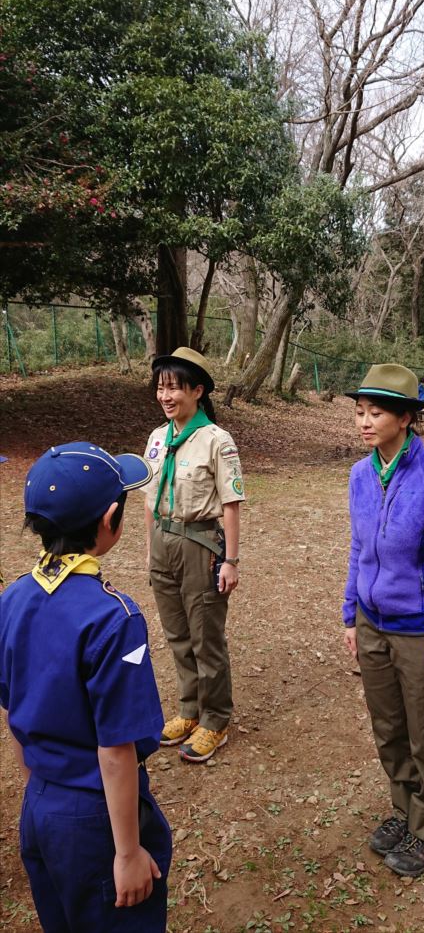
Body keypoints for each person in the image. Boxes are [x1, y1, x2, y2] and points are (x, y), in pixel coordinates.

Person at [0, 442, 172, 933]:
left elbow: (11, 708)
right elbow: (116, 749)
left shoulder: (12, 598)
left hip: (40, 805)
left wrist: (38, 782)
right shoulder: (111, 617)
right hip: (96, 819)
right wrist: (128, 851)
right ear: (111, 518)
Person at [342, 364, 424, 878]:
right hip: (373, 624)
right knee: (389, 729)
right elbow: (358, 548)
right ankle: (405, 811)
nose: (365, 422)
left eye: (376, 413)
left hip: (421, 631)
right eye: (359, 413)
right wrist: (351, 613)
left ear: (405, 418)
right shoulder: (360, 474)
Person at [143, 347, 245, 764]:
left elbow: (232, 503)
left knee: (206, 638)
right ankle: (189, 709)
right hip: (163, 544)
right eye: (161, 388)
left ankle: (216, 719)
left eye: (175, 388)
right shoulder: (156, 437)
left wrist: (231, 562)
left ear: (198, 391)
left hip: (200, 544)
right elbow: (149, 500)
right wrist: (150, 552)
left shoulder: (216, 441)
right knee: (176, 634)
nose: (166, 396)